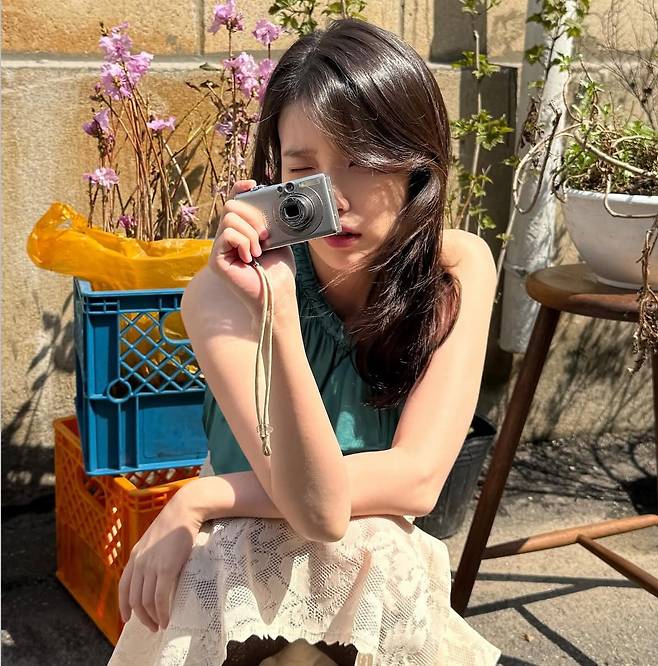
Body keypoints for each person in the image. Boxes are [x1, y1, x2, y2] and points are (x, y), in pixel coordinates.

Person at [108, 17, 500, 666]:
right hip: (244, 554)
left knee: (380, 545)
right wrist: (278, 312)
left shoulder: (455, 269)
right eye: (303, 168)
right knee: (229, 560)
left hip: (357, 562)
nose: (335, 197)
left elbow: (417, 482)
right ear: (273, 175)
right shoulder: (220, 296)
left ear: (416, 165)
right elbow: (316, 509)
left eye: (362, 162)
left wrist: (202, 495)